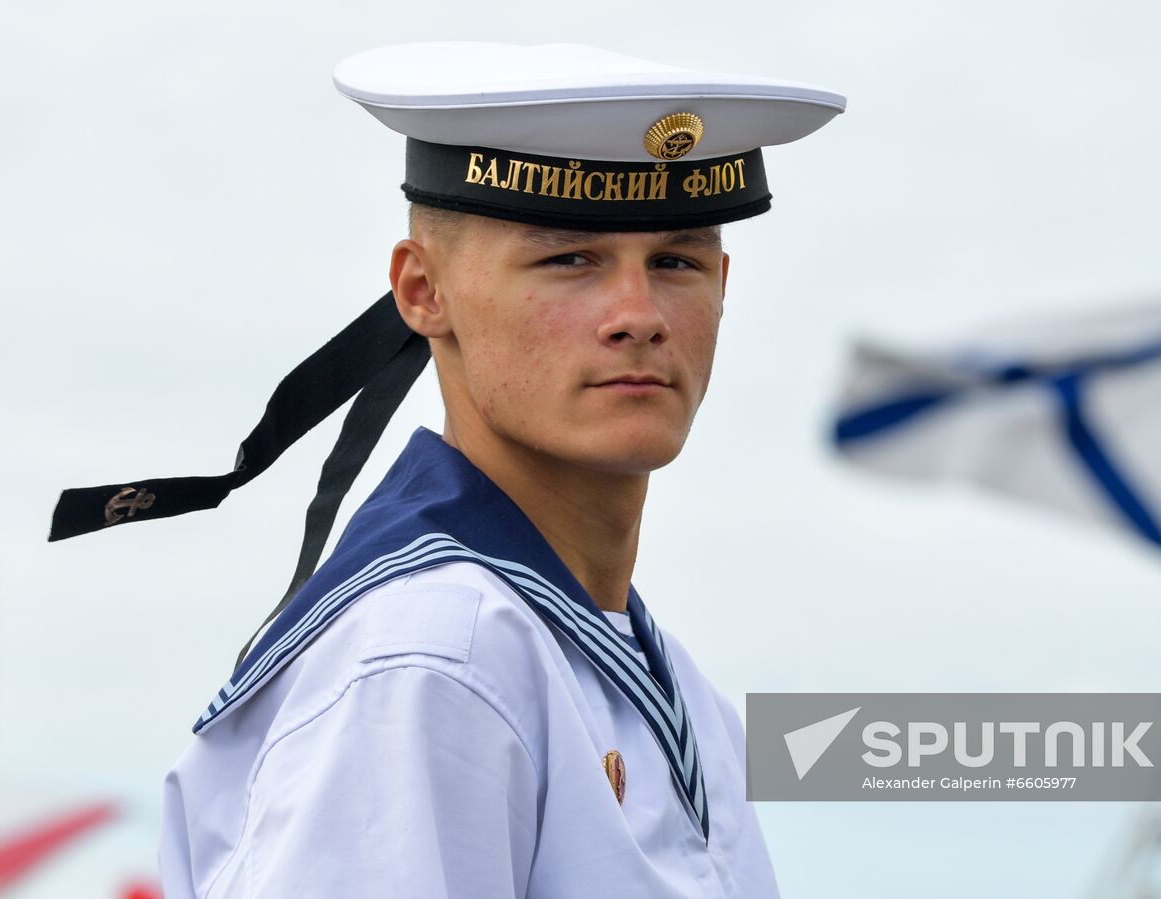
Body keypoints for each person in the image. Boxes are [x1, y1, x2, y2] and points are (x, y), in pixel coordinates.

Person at [49, 41, 843, 898]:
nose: (638, 316)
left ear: (724, 286)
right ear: (423, 291)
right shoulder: (434, 659)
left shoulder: (675, 688)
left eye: (675, 262)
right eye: (569, 259)